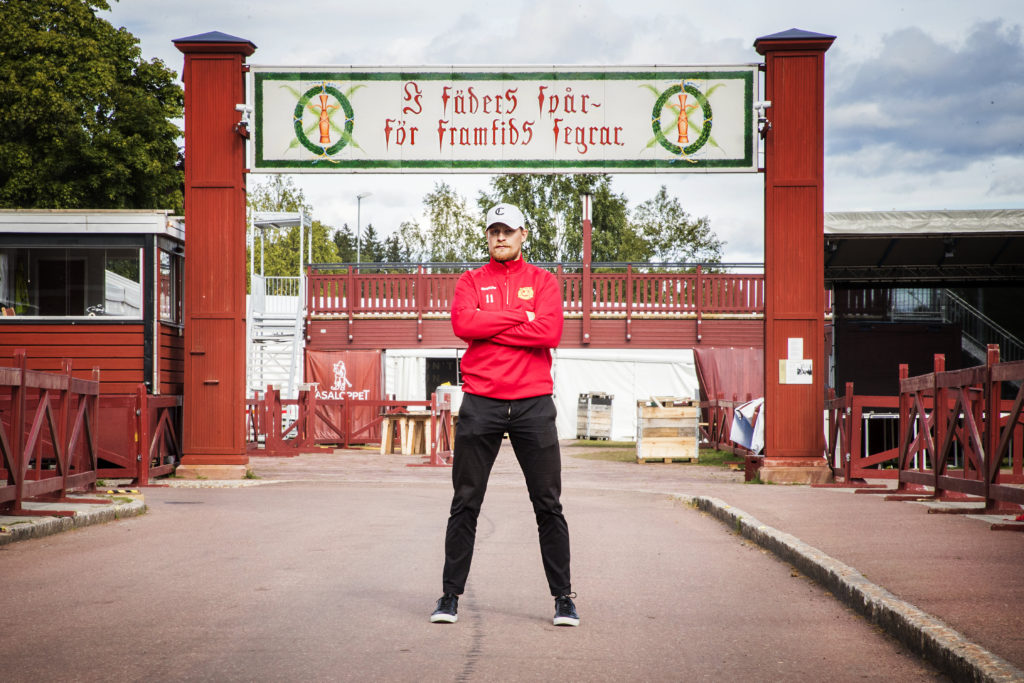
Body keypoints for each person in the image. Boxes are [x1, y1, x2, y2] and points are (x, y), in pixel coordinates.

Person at [430, 202, 578, 627]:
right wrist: (519, 318)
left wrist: (489, 322)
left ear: (522, 234)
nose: (500, 237)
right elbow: (463, 324)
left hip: (533, 404)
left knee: (548, 504)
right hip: (482, 402)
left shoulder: (543, 281)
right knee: (465, 503)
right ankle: (449, 596)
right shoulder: (471, 280)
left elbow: (549, 332)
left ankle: (564, 598)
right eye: (494, 230)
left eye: (507, 231)